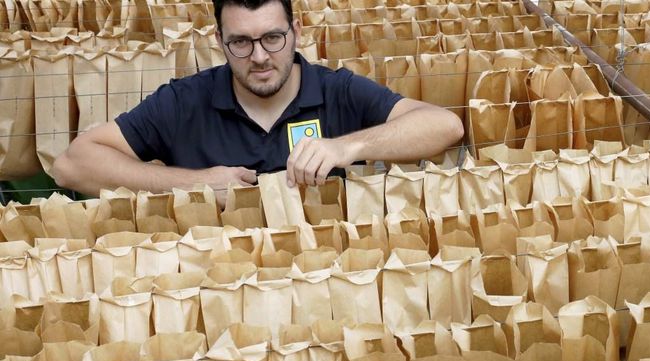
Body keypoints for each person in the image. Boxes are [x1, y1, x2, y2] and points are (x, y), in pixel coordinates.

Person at [52, 0, 463, 203]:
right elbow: (71, 165)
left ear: (296, 32)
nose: (261, 56)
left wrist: (346, 147)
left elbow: (444, 126)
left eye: (272, 37)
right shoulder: (184, 102)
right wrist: (194, 184)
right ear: (220, 42)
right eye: (241, 43)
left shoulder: (336, 90)